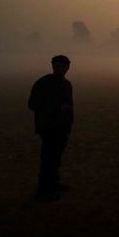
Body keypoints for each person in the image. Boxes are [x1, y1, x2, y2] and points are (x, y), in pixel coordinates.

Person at [28, 55, 73, 201]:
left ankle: (53, 183)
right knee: (48, 158)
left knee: (56, 156)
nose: (60, 69)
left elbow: (69, 105)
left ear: (68, 67)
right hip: (48, 126)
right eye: (58, 66)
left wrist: (69, 123)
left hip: (62, 127)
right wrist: (56, 109)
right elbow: (33, 104)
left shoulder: (66, 84)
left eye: (63, 66)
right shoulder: (43, 83)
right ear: (52, 66)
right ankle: (44, 189)